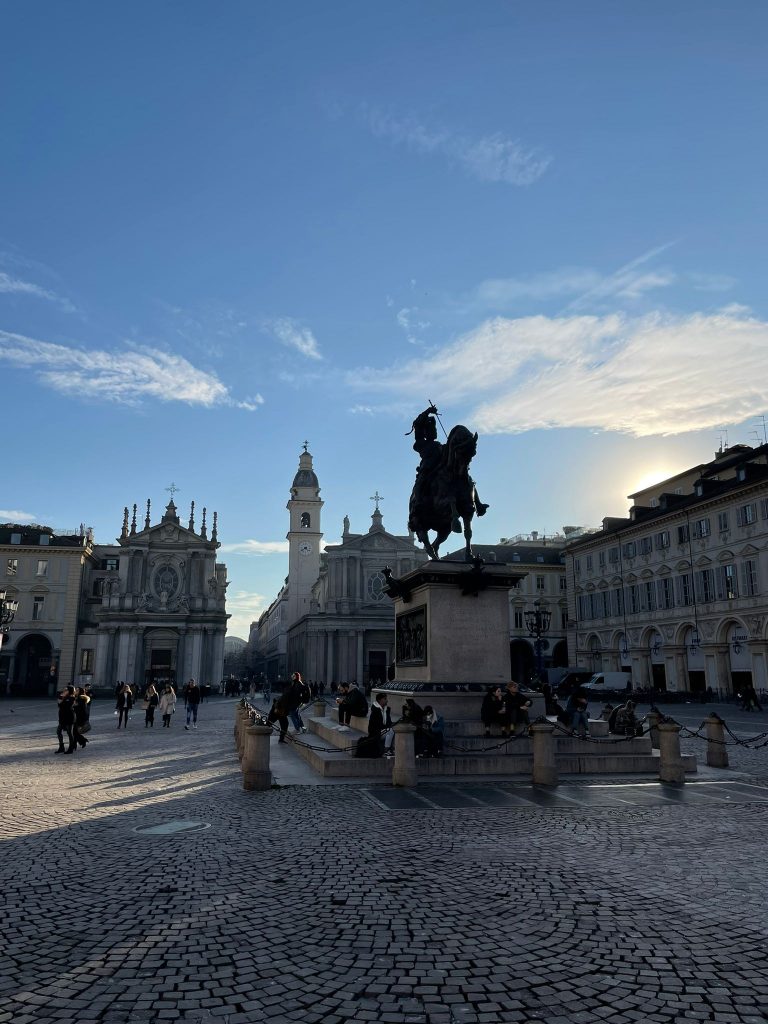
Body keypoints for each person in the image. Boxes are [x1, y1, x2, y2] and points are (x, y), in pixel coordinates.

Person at [357, 692, 393, 757]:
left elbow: (388, 722)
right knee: (390, 731)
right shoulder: (375, 711)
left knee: (395, 730)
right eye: (385, 699)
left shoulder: (386, 710)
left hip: (383, 731)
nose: (387, 701)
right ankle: (386, 750)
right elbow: (373, 726)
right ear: (379, 700)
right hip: (376, 733)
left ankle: (393, 750)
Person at [56, 686, 76, 753]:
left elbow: (68, 706)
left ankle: (71, 748)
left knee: (69, 732)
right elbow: (59, 704)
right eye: (64, 689)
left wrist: (62, 700)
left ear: (70, 690)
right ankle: (61, 747)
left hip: (69, 717)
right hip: (62, 717)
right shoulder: (63, 697)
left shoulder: (72, 698)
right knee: (58, 731)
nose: (64, 690)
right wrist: (61, 697)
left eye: (66, 689)